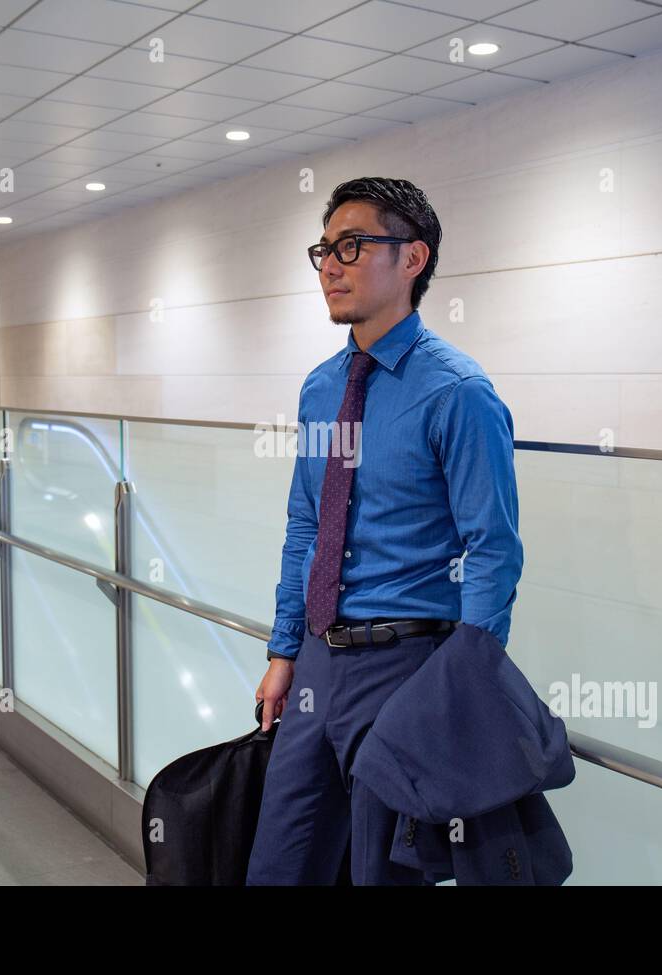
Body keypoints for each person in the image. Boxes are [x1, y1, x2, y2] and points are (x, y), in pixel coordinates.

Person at [245, 176, 525, 885]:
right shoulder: (319, 387)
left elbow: (491, 547)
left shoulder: (457, 391)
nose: (331, 266)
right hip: (317, 664)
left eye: (353, 244)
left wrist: (467, 681)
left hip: (408, 668)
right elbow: (306, 521)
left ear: (413, 258)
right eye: (324, 249)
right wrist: (284, 649)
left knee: (381, 874)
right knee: (280, 862)